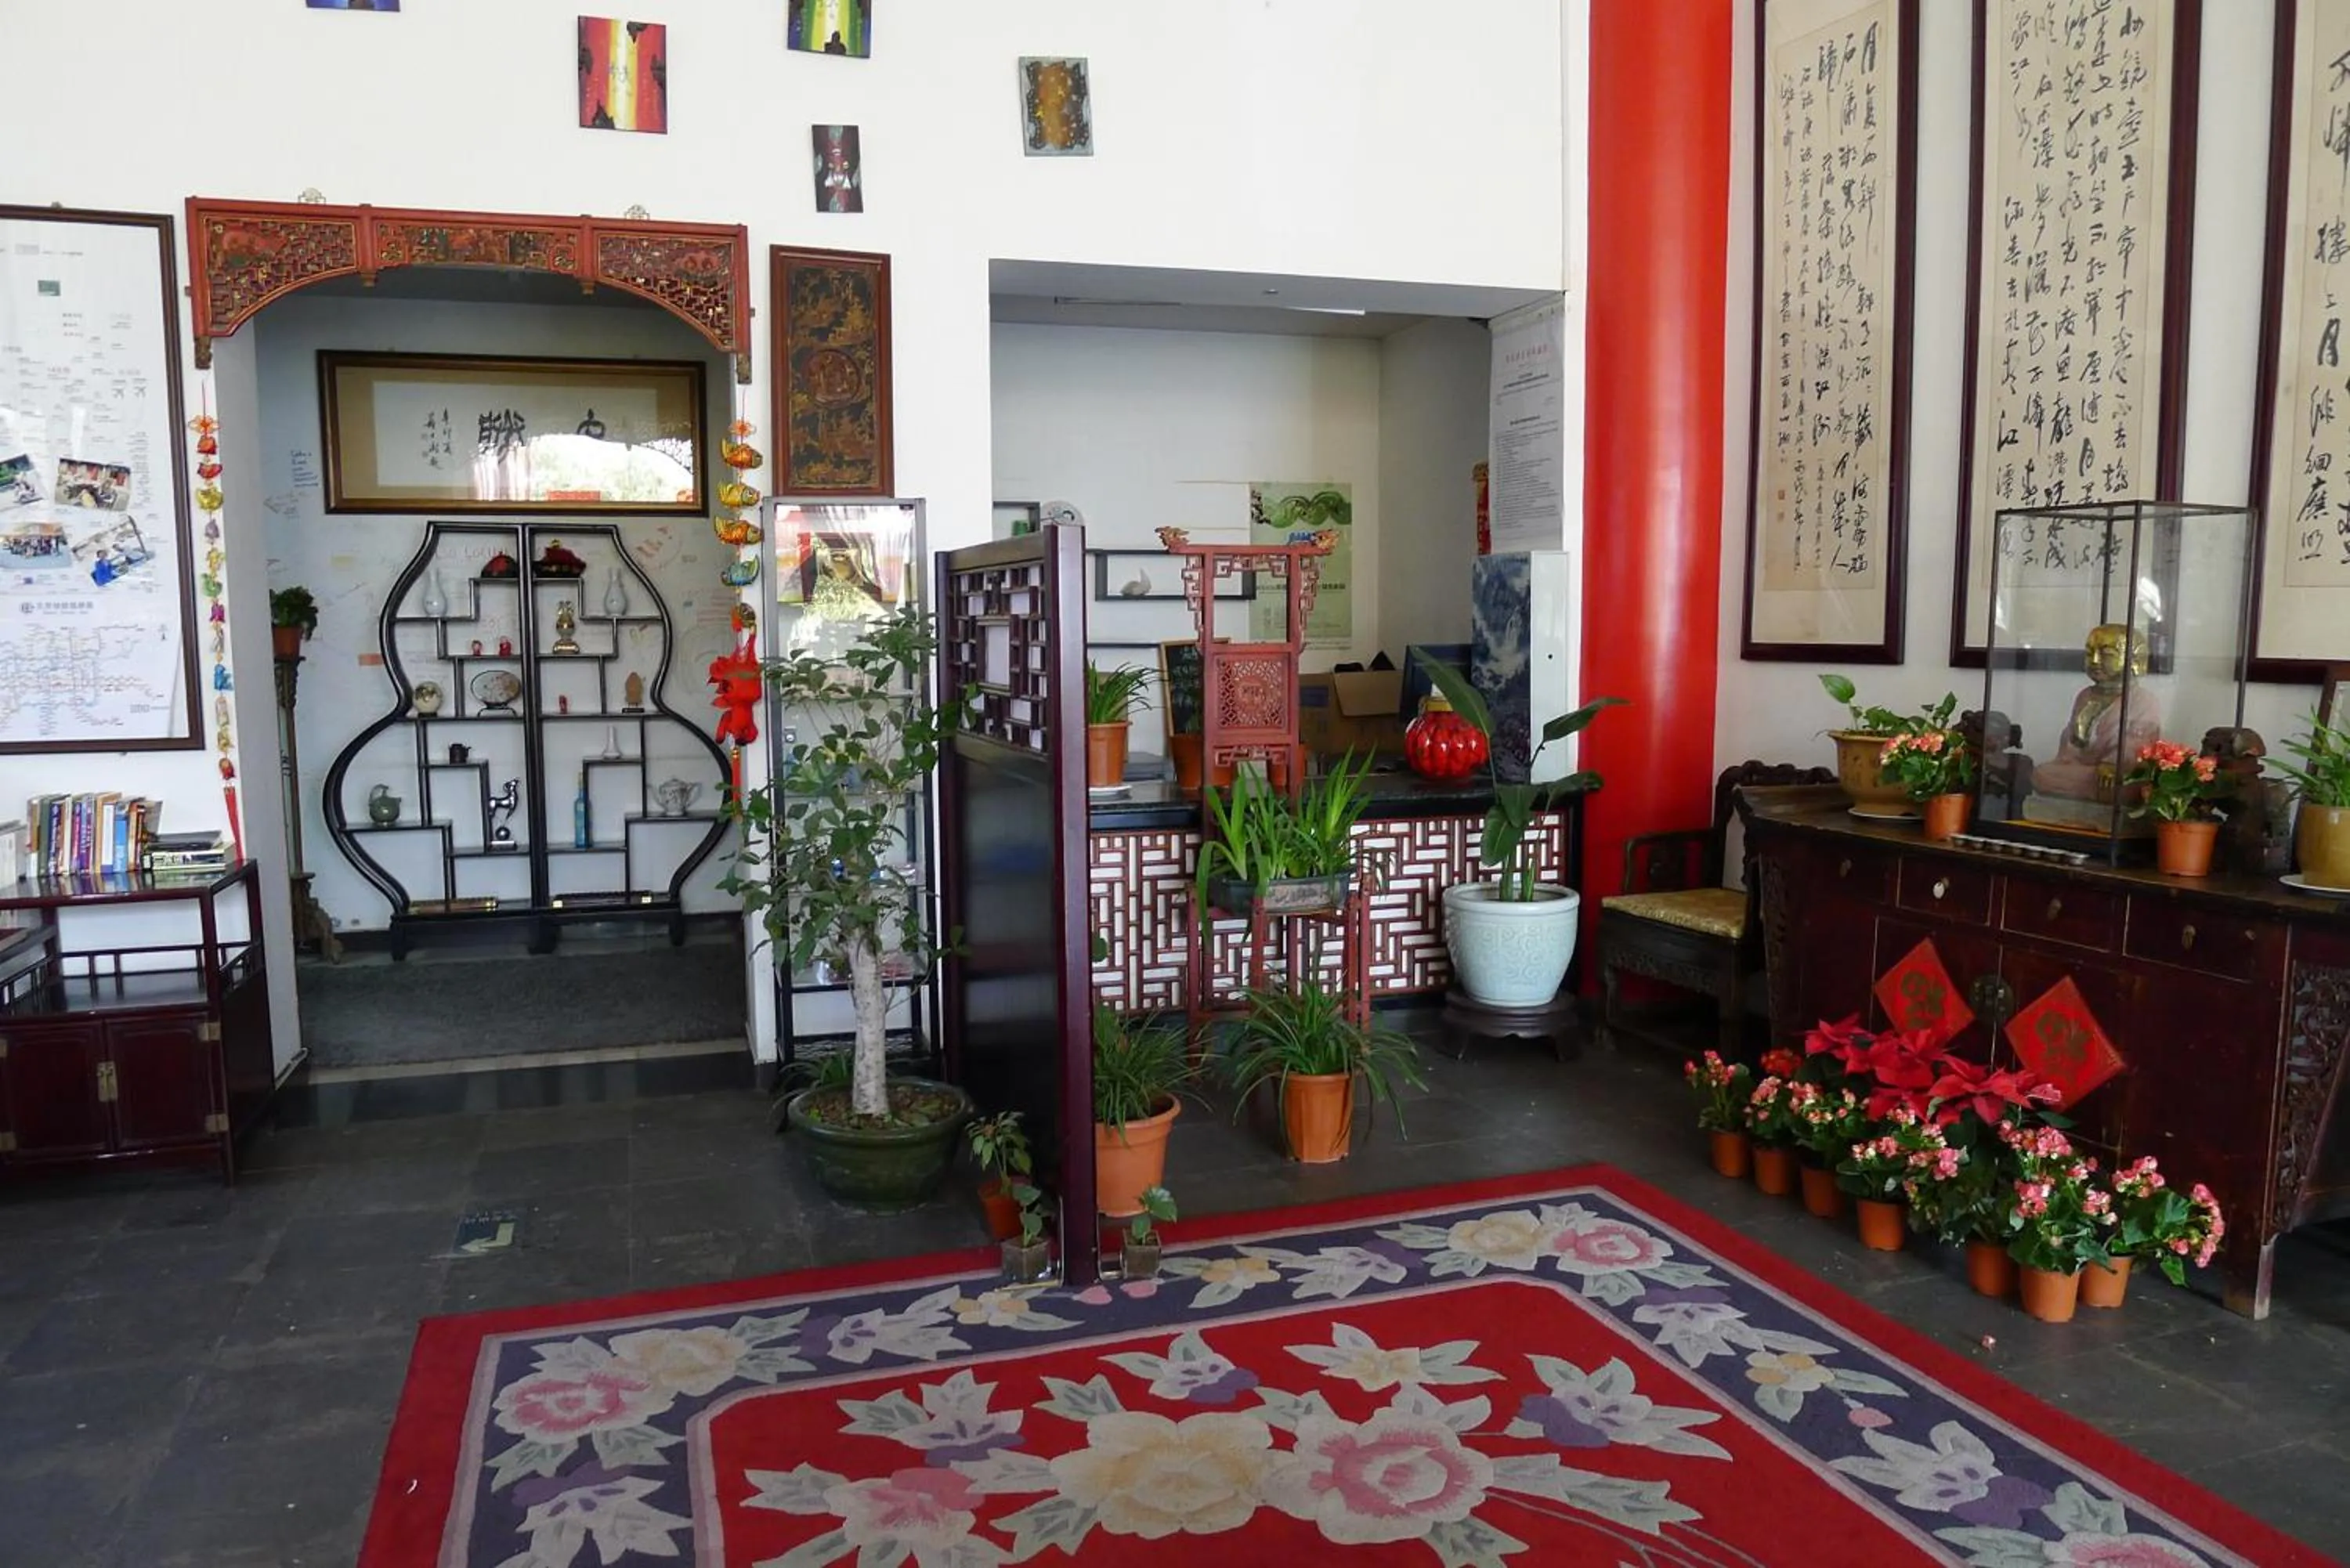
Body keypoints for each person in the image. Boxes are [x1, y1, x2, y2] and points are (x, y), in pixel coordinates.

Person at [2026, 623, 2161, 813]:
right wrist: (2077, 738)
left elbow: (2138, 744)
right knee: (2042, 775)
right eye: (2089, 654)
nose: (2095, 661)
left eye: (2107, 655)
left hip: (2120, 776)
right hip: (2085, 772)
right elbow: (2071, 745)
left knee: (2129, 789)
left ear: (2133, 659)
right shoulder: (2085, 696)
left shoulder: (2143, 700)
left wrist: (2112, 765)